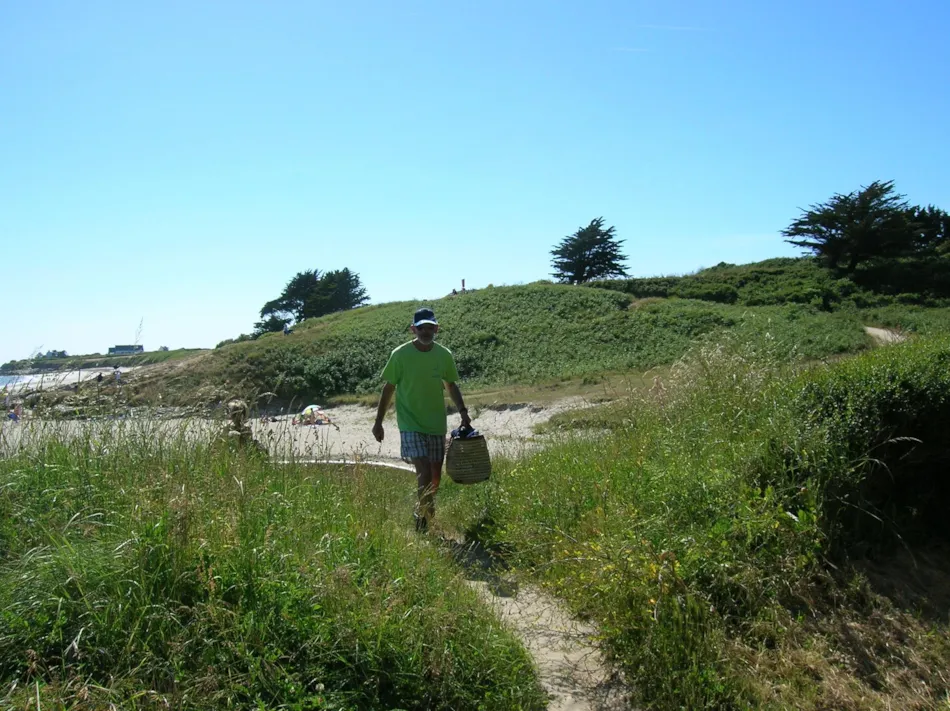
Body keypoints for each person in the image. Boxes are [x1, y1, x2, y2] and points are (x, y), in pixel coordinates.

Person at [373, 307, 471, 532]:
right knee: (424, 471)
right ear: (413, 329)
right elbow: (389, 388)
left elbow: (451, 385)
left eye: (430, 328)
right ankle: (429, 524)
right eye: (421, 327)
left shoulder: (444, 354)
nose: (426, 332)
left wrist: (463, 412)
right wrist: (378, 422)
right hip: (410, 424)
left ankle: (421, 512)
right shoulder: (400, 354)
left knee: (435, 479)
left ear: (436, 329)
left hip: (436, 424)